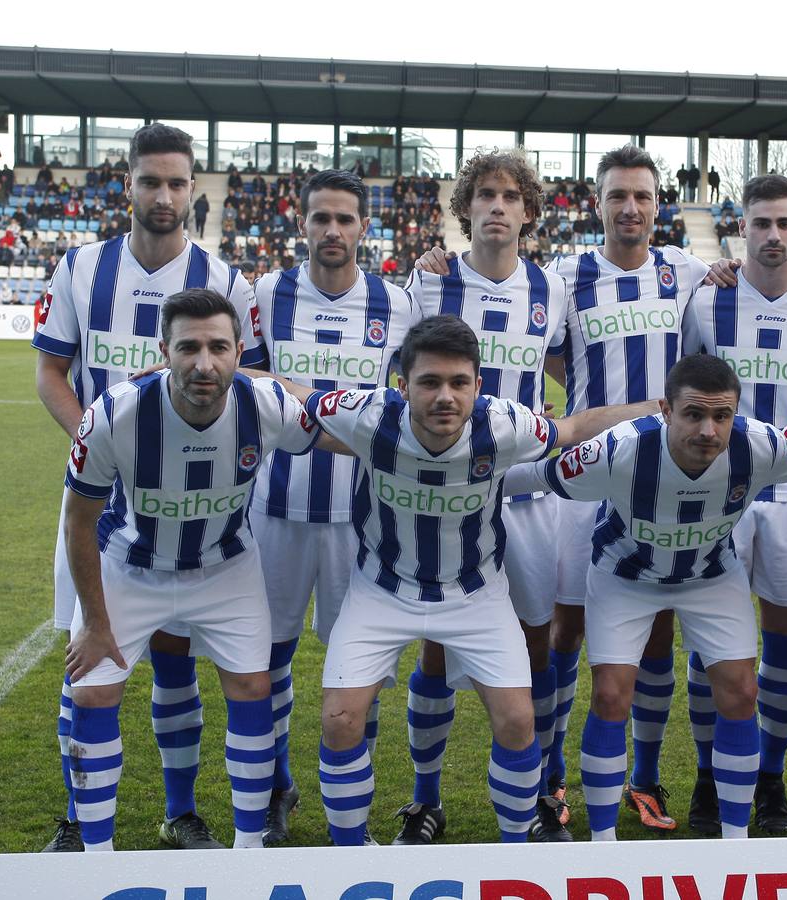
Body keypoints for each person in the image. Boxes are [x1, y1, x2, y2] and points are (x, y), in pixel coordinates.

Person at [286, 314, 657, 847]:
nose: (445, 396)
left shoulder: (504, 424)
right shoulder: (367, 414)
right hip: (382, 589)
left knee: (516, 719)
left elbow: (573, 428)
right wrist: (220, 368)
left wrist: (653, 409)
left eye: (459, 383)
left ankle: (514, 852)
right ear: (401, 385)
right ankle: (350, 855)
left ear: (477, 386)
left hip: (476, 593)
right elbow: (293, 392)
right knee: (341, 719)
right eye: (429, 382)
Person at [32, 123, 267, 853]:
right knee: (86, 663)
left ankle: (181, 809)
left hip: (193, 515)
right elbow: (51, 374)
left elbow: (250, 384)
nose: (162, 196)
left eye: (176, 183)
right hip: (102, 510)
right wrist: (94, 445)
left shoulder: (226, 281)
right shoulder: (78, 268)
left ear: (193, 190)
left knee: (174, 659)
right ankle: (79, 821)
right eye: (149, 181)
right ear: (126, 185)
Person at [504, 354, 787, 840]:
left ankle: (736, 843)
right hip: (625, 577)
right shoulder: (619, 450)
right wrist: (449, 469)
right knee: (611, 694)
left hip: (712, 576)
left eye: (722, 416)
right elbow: (535, 478)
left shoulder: (759, 445)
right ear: (664, 410)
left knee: (741, 692)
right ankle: (603, 844)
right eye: (693, 414)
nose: (708, 431)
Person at [61, 288, 317, 852]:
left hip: (224, 568)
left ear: (239, 350)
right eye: (190, 347)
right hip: (131, 567)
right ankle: (94, 858)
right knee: (93, 694)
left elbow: (341, 431)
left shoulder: (266, 403)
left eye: (218, 347)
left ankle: (249, 852)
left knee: (253, 685)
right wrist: (98, 625)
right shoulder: (112, 414)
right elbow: (78, 522)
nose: (205, 363)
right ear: (163, 350)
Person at [400, 148, 573, 843]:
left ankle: (543, 790)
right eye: (485, 195)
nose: (498, 206)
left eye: (511, 196)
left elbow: (563, 364)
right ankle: (425, 800)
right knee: (439, 643)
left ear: (528, 212)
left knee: (540, 642)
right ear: (465, 209)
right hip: (447, 493)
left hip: (527, 490)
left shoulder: (552, 289)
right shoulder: (429, 286)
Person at [247, 168, 420, 846]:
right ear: (302, 224)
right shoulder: (266, 292)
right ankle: (272, 791)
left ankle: (351, 817)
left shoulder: (396, 302)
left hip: (365, 518)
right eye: (321, 218)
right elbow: (246, 378)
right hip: (278, 507)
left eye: (345, 219)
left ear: (365, 227)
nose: (333, 231)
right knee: (269, 659)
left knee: (363, 666)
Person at [681, 174, 787, 834]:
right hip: (717, 500)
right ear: (740, 228)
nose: (773, 235)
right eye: (761, 224)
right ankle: (707, 776)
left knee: (784, 645)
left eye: (785, 224)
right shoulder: (708, 302)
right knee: (710, 648)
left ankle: (771, 780)